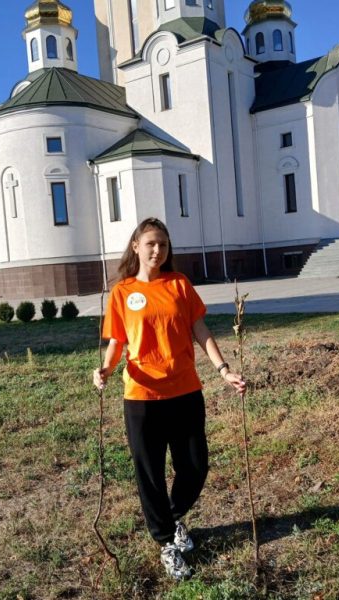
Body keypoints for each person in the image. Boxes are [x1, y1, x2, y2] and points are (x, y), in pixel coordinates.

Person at [93, 217, 245, 581]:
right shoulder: (122, 292)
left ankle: (172, 517)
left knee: (195, 466)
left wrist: (223, 369)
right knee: (150, 474)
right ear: (136, 247)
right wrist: (105, 370)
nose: (157, 250)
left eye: (162, 244)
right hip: (142, 397)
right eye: (150, 243)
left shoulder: (179, 284)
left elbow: (200, 329)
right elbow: (117, 341)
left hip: (185, 391)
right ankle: (165, 542)